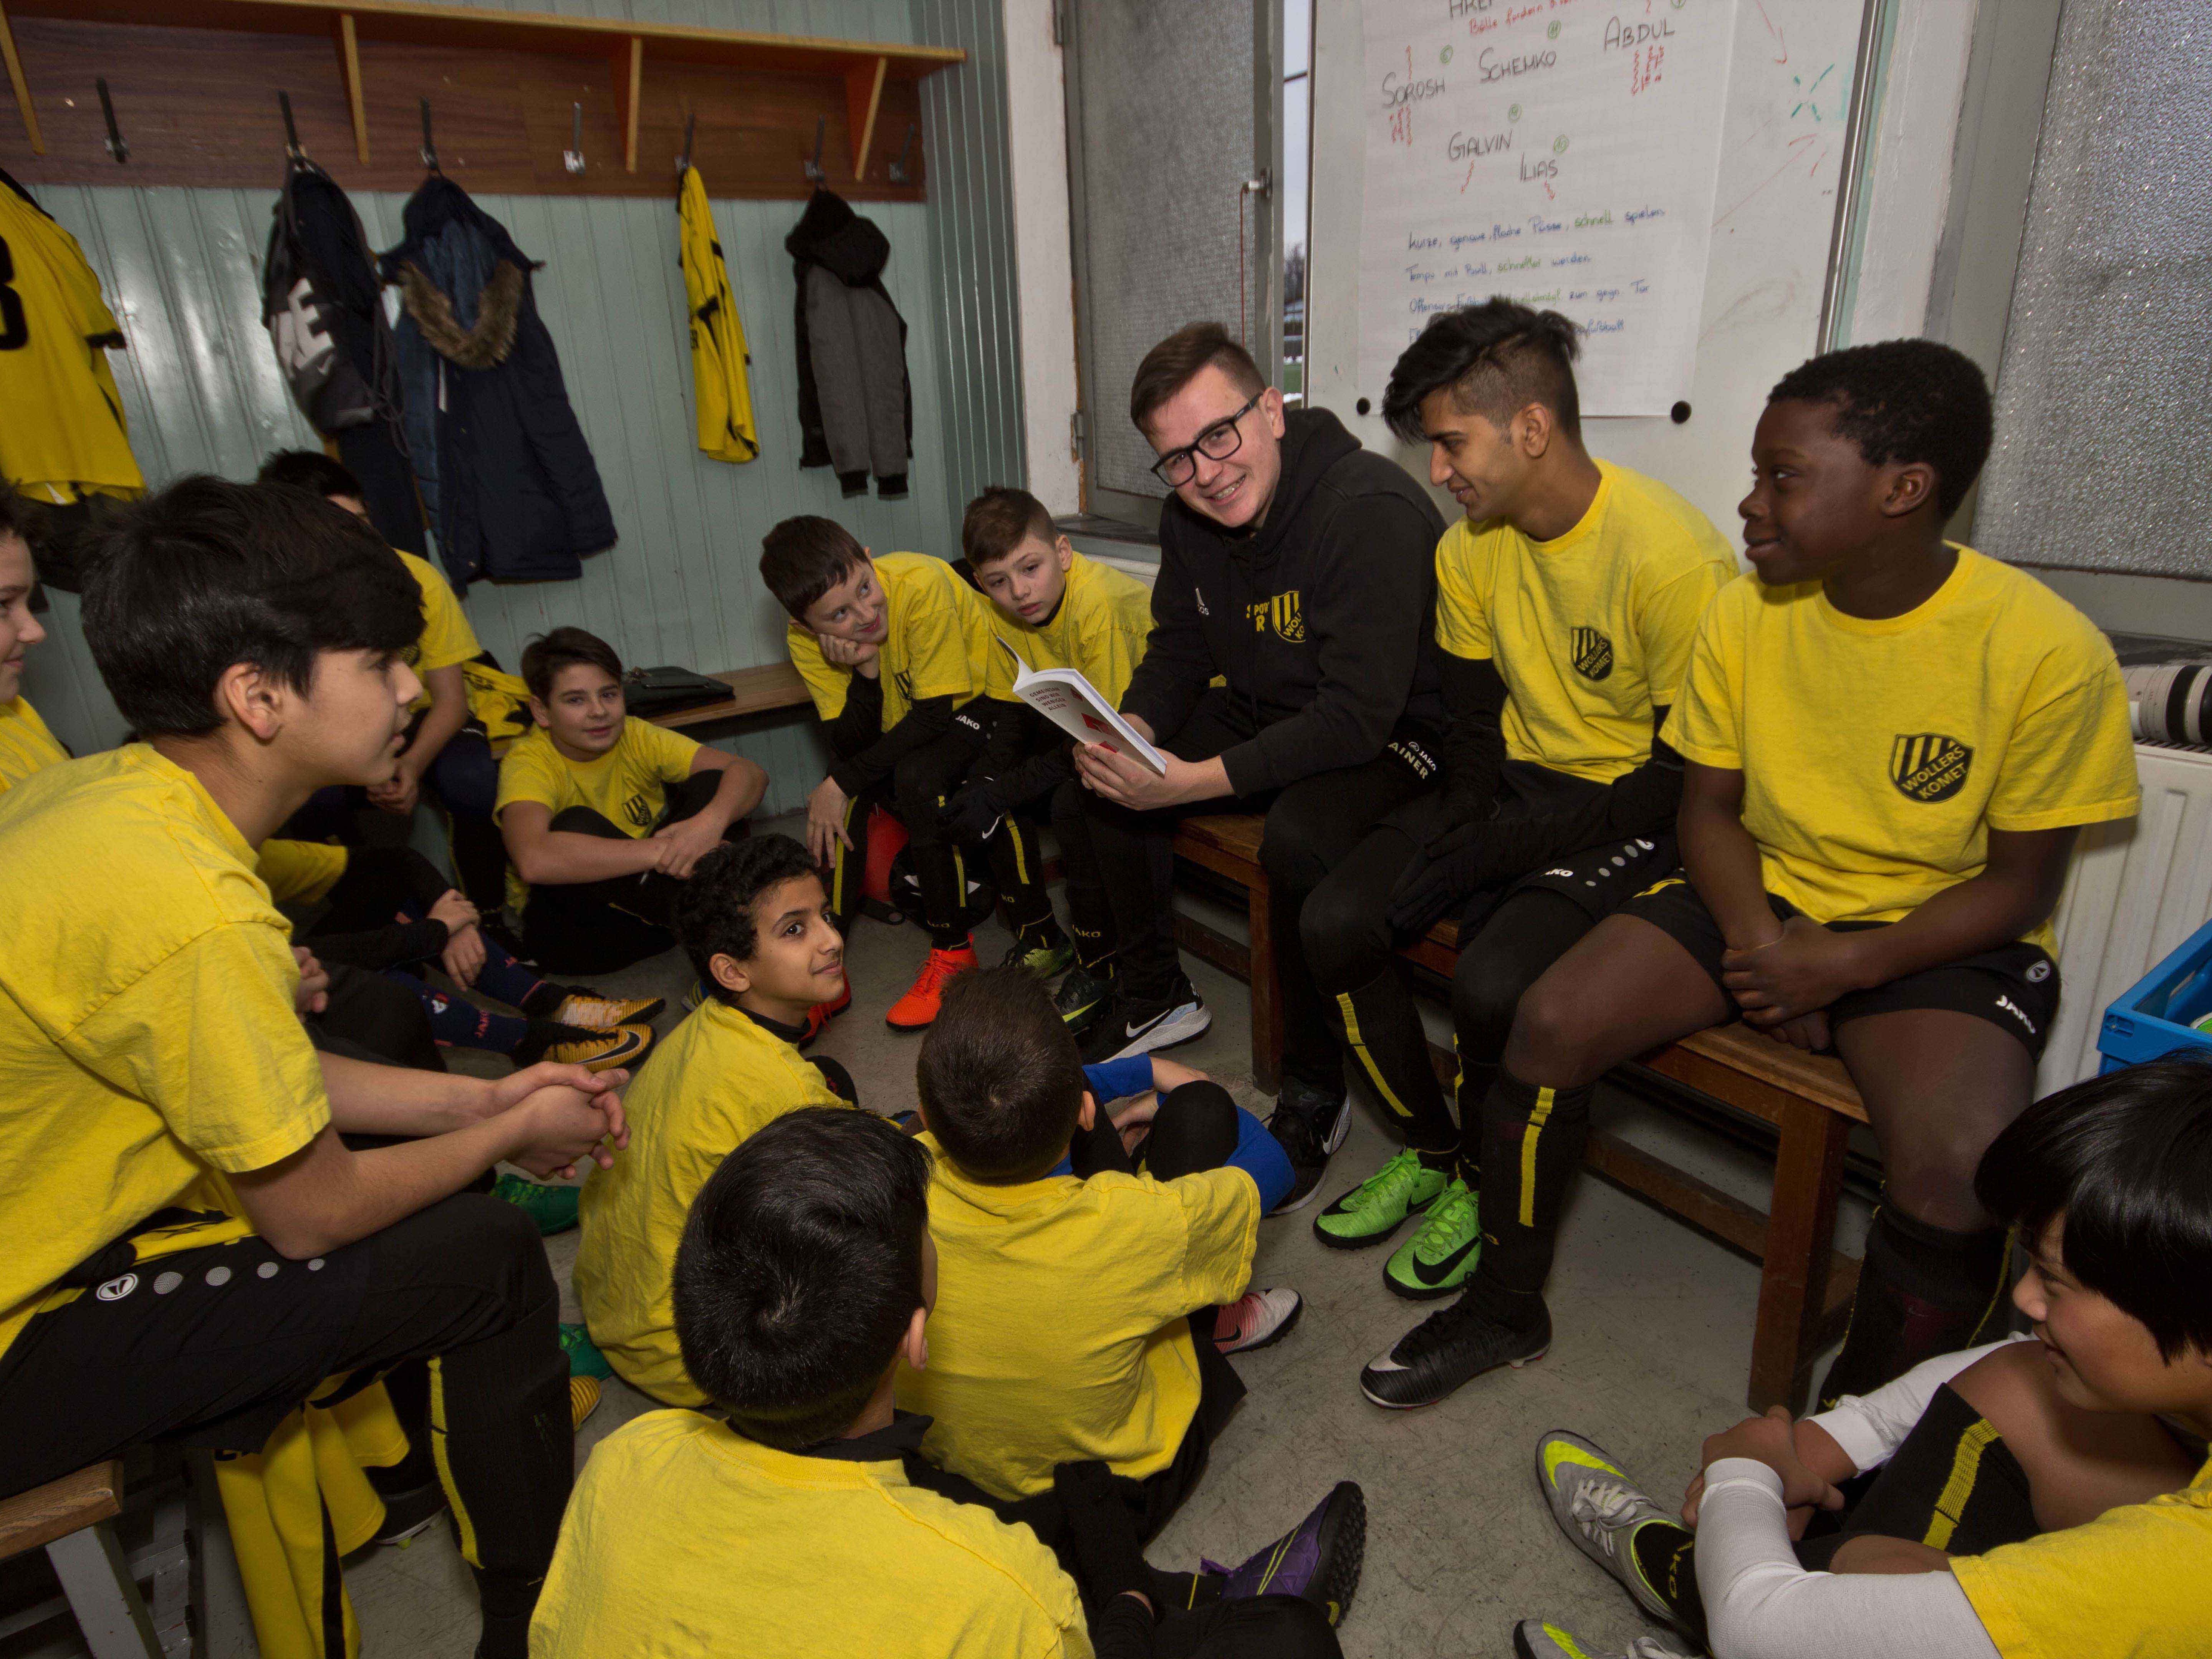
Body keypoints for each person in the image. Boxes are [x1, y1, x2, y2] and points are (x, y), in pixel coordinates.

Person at [1359, 340, 2140, 1414]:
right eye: (1757, 472)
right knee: (1548, 1022)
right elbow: (1707, 809)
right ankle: (1505, 1305)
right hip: (1757, 895)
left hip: (1934, 930)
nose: (1750, 502)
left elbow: (2020, 887)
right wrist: (1767, 950)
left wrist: (1850, 964)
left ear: (1903, 491)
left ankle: (1859, 1436)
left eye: (1785, 477)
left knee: (1958, 1170)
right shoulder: (1744, 612)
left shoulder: (2048, 651)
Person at [0, 477, 630, 1659]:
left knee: (406, 1103)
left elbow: (262, 1081)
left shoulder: (122, 797)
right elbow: (311, 1212)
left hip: (41, 1244)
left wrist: (489, 1094)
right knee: (488, 1260)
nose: (411, 689)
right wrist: (499, 1137)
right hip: (17, 1334)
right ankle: (532, 1627)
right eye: (382, 662)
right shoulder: (184, 900)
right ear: (257, 695)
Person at [534, 1107, 1361, 1659]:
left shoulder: (618, 1464)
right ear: (915, 1336)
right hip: (1056, 1615)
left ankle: (1192, 1593)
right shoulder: (996, 1592)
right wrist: (1130, 1608)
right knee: (1288, 1642)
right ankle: (1203, 1600)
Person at [1297, 301, 1733, 1298]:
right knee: (1338, 917)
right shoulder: (1471, 548)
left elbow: (1678, 785)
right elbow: (1473, 730)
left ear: (1531, 428)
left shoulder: (1673, 559)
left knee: (1495, 986)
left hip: (1633, 808)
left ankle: (1491, 1179)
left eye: (1451, 443)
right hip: (1518, 784)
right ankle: (1439, 1150)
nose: (1439, 472)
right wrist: (1462, 830)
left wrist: (1504, 849)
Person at [1512, 1054, 2212, 1659]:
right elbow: (2010, 1363)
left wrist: (1744, 1472)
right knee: (2016, 1389)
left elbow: (1763, 1635)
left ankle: (1677, 1569)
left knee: (1847, 1580)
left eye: (2056, 1282)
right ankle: (1710, 1569)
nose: (2026, 1298)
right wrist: (1830, 1440)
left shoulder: (2185, 1571)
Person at [1071, 322, 1447, 1210]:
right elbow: (1176, 648)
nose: (1204, 472)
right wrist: (1132, 726)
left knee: (1298, 841)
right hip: (1272, 709)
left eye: (1218, 435)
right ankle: (1152, 992)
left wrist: (1198, 778)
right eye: (1176, 458)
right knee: (1090, 775)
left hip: (1397, 735)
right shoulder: (1188, 516)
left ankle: (1314, 1092)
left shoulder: (1366, 509)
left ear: (1269, 412)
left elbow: (1354, 718)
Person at [894, 966, 1301, 1547]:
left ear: (926, 1116)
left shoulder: (895, 1173)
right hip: (1113, 1497)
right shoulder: (1129, 1223)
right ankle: (1210, 1321)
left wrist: (1117, 1088)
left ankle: (1106, 1150)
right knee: (1204, 1110)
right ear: (1084, 1111)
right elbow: (1274, 1161)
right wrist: (1151, 1088)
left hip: (966, 1488)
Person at [574, 833, 856, 1407]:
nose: (832, 940)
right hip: (696, 1356)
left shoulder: (704, 1025)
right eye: (795, 929)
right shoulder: (779, 1086)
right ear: (731, 971)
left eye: (825, 915)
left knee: (833, 1088)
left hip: (615, 1301)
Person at [762, 515, 996, 1028]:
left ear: (869, 557)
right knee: (841, 796)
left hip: (986, 700)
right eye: (839, 615)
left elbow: (935, 715)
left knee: (910, 778)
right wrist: (866, 675)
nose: (866, 614)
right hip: (915, 722)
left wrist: (841, 781)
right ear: (806, 625)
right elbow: (849, 741)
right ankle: (826, 974)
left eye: (865, 587)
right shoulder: (806, 640)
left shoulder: (921, 584)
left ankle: (954, 953)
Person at [256, 450, 509, 913]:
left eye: (361, 519)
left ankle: (488, 917)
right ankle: (370, 916)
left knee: (472, 782)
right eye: (337, 524)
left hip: (423, 716)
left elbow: (451, 702)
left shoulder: (415, 578)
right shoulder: (278, 597)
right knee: (314, 802)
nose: (358, 537)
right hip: (335, 722)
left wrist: (410, 766)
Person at [946, 485, 1154, 1021]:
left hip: (1171, 720)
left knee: (1072, 802)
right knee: (979, 780)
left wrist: (1002, 790)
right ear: (980, 583)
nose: (1019, 591)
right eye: (998, 581)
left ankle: (1100, 960)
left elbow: (1103, 738)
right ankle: (1042, 933)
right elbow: (1010, 710)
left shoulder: (1096, 605)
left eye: (1030, 568)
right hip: (1094, 720)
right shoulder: (1004, 612)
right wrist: (985, 784)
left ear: (1063, 553)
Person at [495, 625, 767, 974]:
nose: (598, 712)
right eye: (576, 700)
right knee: (574, 824)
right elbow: (532, 859)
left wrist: (708, 826)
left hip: (655, 905)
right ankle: (720, 915)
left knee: (717, 783)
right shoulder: (528, 762)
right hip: (584, 932)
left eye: (609, 695)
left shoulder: (634, 734)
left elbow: (751, 773)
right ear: (542, 711)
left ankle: (704, 916)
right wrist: (667, 852)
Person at [262, 838, 660, 1073]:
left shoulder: (235, 844)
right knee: (356, 977)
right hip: (266, 1005)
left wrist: (447, 913)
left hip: (296, 960)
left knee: (389, 889)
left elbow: (392, 859)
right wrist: (437, 931)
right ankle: (530, 1043)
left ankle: (551, 1004)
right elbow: (298, 962)